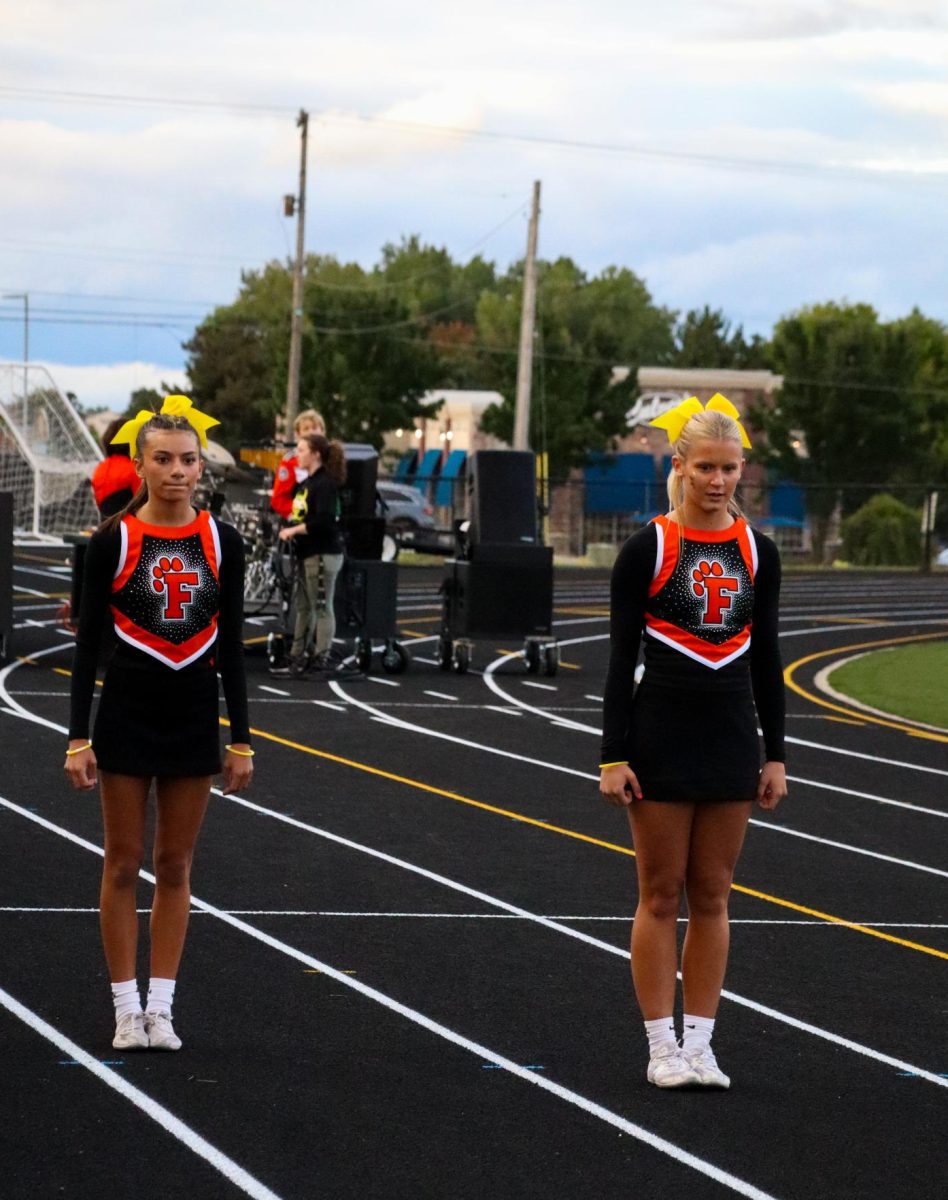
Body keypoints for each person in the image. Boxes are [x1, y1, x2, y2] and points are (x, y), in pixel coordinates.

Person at [599, 393, 786, 1091]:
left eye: (730, 468)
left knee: (713, 894)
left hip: (733, 735)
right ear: (679, 466)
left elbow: (766, 657)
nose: (717, 480)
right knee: (659, 894)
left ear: (743, 471)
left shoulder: (757, 552)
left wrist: (776, 754)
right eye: (704, 466)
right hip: (661, 736)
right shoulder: (647, 547)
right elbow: (620, 660)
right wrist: (612, 755)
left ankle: (702, 1045)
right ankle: (660, 1045)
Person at [64, 394, 253, 1053]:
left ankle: (162, 1008)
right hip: (126, 714)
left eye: (188, 460)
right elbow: (87, 648)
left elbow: (231, 647)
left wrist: (243, 739)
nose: (177, 470)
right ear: (140, 465)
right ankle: (124, 1007)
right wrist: (77, 737)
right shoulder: (111, 540)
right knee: (122, 861)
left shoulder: (221, 542)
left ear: (202, 467)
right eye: (163, 460)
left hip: (194, 715)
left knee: (175, 864)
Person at [272, 432, 346, 676]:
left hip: (323, 552)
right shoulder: (307, 483)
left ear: (316, 454)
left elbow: (323, 521)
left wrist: (293, 530)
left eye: (302, 450)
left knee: (323, 606)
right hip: (308, 553)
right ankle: (297, 655)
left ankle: (322, 656)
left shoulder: (325, 484)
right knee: (304, 606)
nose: (298, 455)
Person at [270, 408, 326, 518]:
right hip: (300, 519)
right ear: (298, 434)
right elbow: (279, 500)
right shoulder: (290, 462)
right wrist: (304, 511)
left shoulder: (331, 458)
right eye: (306, 429)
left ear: (323, 431)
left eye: (315, 428)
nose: (311, 432)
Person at [91, 416, 143, 518]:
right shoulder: (133, 469)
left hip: (105, 524)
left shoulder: (100, 468)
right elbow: (141, 504)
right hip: (127, 525)